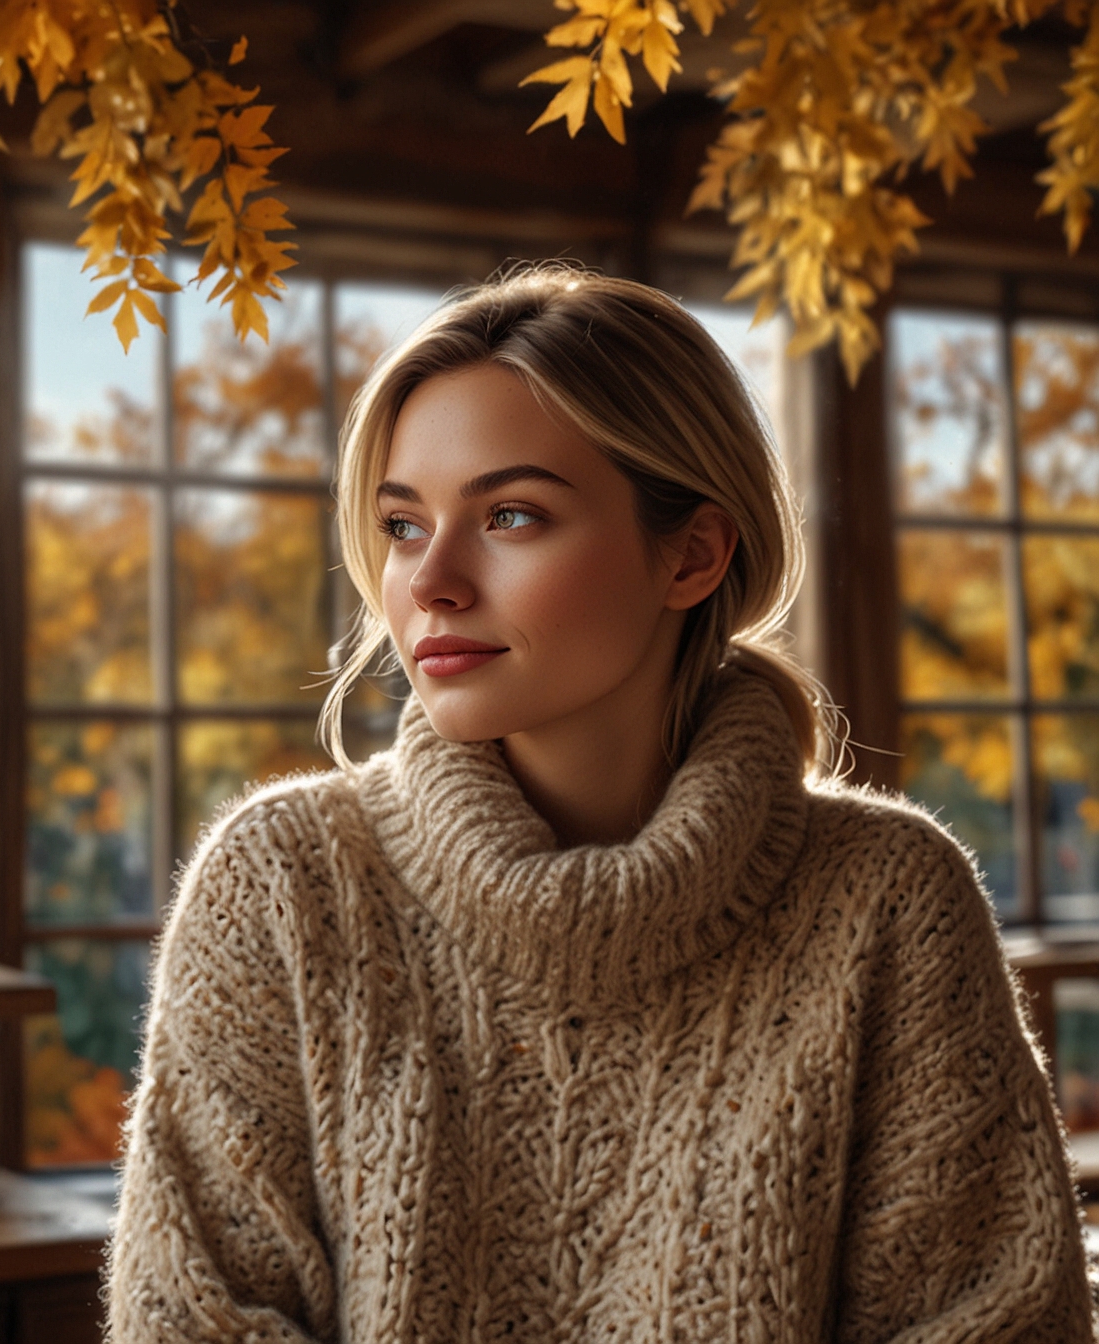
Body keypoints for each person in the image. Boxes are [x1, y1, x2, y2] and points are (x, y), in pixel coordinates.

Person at [104, 265, 1094, 1341]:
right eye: (400, 525)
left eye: (512, 515)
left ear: (693, 554)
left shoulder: (887, 901)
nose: (429, 580)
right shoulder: (281, 887)